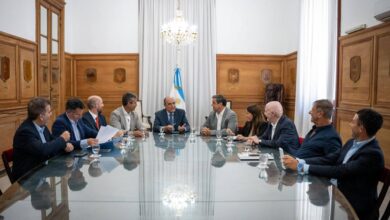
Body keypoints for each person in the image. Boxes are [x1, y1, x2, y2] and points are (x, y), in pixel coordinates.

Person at [282, 108, 384, 220]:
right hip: (335, 192)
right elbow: (330, 159)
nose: (350, 124)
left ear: (361, 128)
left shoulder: (372, 154)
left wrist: (302, 167)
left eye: (353, 122)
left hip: (353, 205)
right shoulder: (352, 142)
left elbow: (341, 171)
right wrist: (300, 161)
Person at [13, 97, 74, 180]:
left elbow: (51, 142)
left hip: (42, 170)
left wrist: (65, 145)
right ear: (41, 116)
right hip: (27, 177)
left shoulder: (42, 125)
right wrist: (62, 139)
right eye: (49, 112)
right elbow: (43, 150)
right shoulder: (25, 131)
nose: (51, 114)